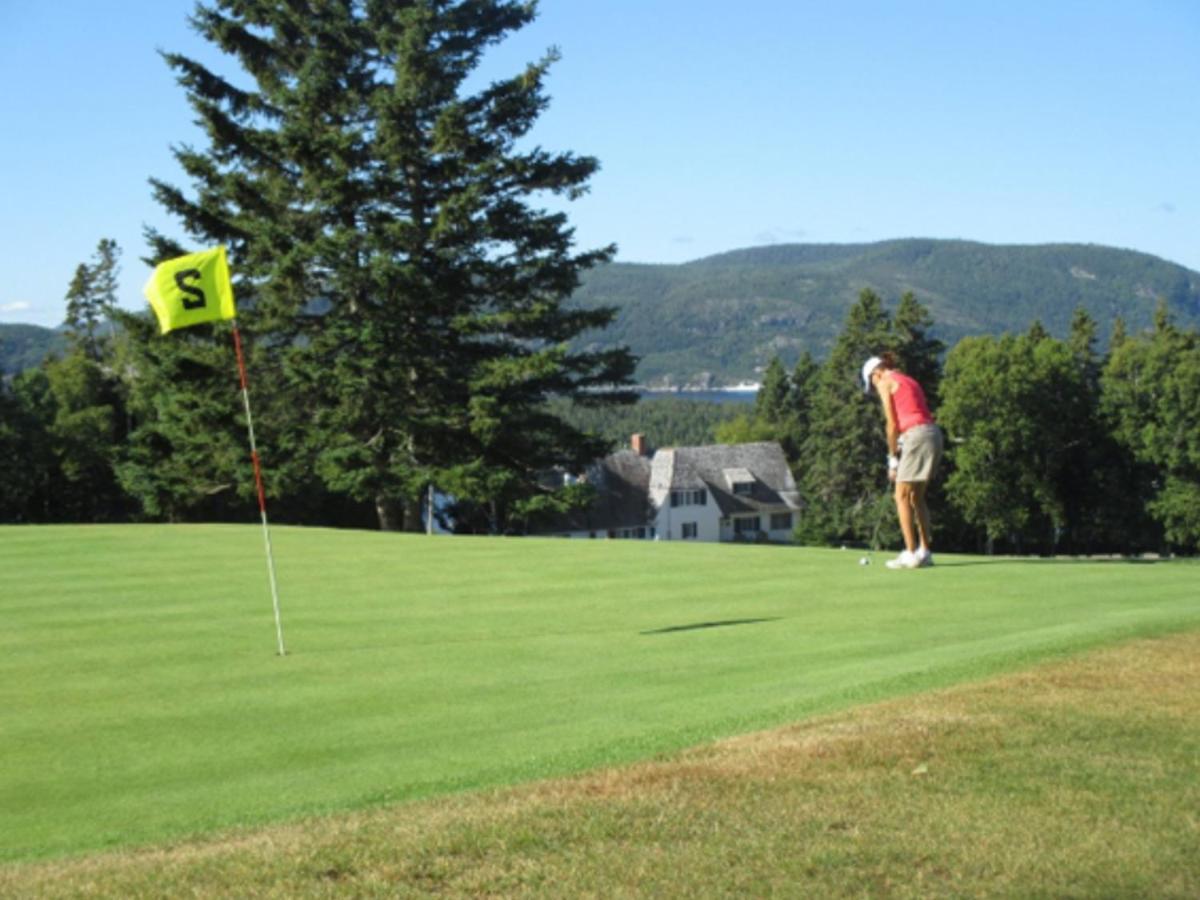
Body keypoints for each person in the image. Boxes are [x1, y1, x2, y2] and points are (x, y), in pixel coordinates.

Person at [861, 352, 944, 569]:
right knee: (916, 497)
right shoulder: (907, 379)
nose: (873, 385)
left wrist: (892, 459)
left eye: (871, 381)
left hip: (916, 436)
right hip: (933, 434)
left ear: (875, 373)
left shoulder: (885, 382)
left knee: (901, 495)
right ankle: (924, 551)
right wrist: (901, 444)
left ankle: (909, 553)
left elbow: (891, 424)